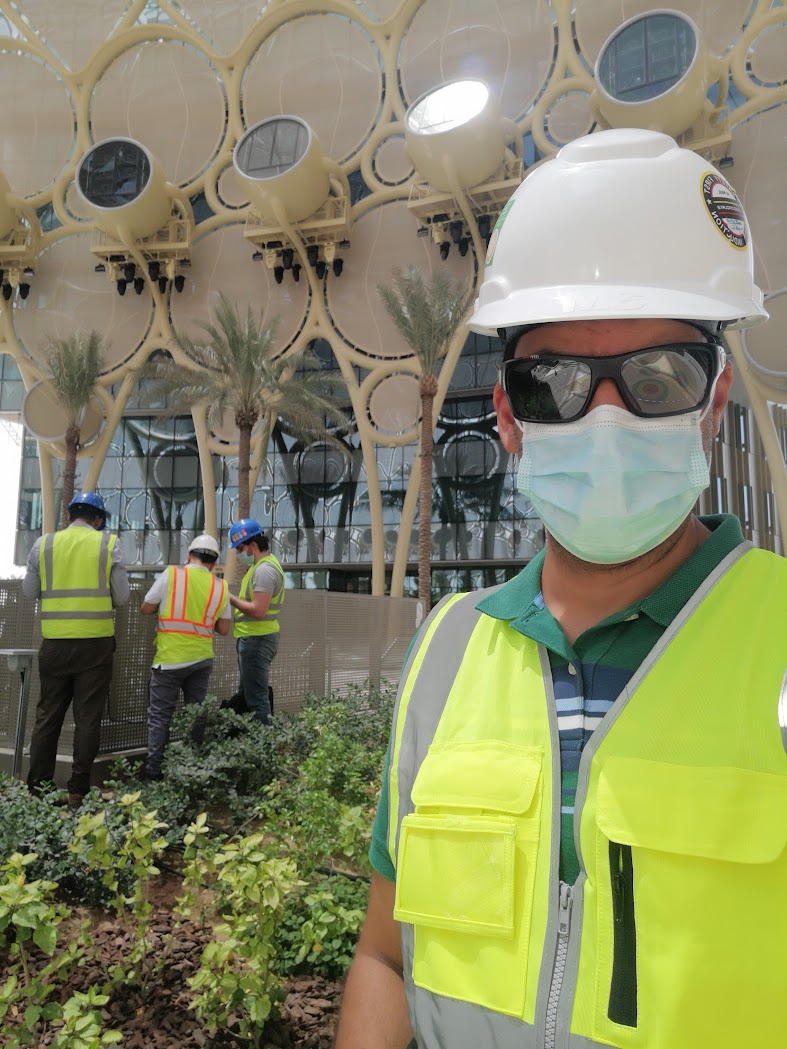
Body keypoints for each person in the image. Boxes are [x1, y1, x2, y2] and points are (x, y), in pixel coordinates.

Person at [336, 129, 786, 1049]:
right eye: (557, 385)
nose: (608, 418)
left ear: (713, 404)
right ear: (506, 415)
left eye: (657, 379)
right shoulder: (446, 650)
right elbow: (385, 955)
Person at [23, 491, 130, 806]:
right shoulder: (109, 544)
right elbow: (121, 597)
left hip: (54, 644)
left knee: (47, 716)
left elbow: (30, 592)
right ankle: (77, 791)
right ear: (98, 520)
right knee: (87, 718)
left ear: (69, 516)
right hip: (95, 647)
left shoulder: (43, 545)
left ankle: (38, 790)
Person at [139, 533, 230, 780]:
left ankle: (153, 773)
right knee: (196, 714)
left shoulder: (172, 575)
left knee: (160, 717)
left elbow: (146, 607)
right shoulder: (220, 586)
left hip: (170, 659)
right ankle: (193, 770)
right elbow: (224, 629)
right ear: (213, 563)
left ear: (189, 556)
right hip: (202, 659)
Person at [228, 518, 284, 724]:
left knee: (256, 699)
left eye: (240, 548)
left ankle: (263, 746)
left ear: (253, 545)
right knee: (249, 695)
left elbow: (259, 610)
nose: (238, 554)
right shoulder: (261, 567)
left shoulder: (263, 570)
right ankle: (253, 743)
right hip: (254, 638)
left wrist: (229, 598)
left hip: (257, 640)